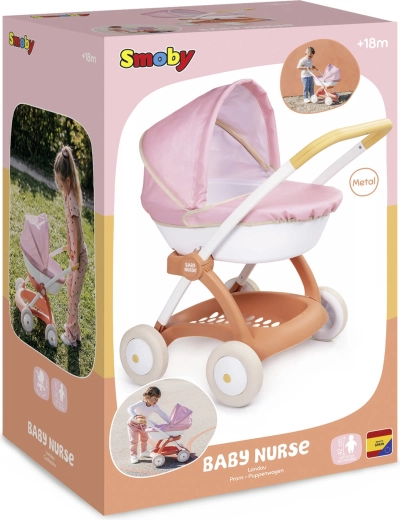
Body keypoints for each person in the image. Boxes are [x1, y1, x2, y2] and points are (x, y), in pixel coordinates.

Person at [54, 146, 88, 347]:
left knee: (73, 297)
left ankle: (72, 336)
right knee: (70, 292)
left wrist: (76, 256)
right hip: (74, 254)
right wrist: (69, 245)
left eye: (61, 184)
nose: (60, 187)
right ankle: (75, 331)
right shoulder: (67, 196)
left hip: (79, 258)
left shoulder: (73, 199)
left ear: (68, 180)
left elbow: (77, 230)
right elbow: (70, 228)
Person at [127, 386, 170, 464]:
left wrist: (170, 422)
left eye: (157, 399)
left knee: (144, 439)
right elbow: (130, 408)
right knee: (134, 440)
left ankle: (143, 451)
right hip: (133, 424)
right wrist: (135, 416)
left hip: (143, 424)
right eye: (155, 398)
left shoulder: (154, 407)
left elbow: (162, 414)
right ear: (147, 397)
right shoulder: (141, 403)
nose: (156, 401)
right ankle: (133, 455)